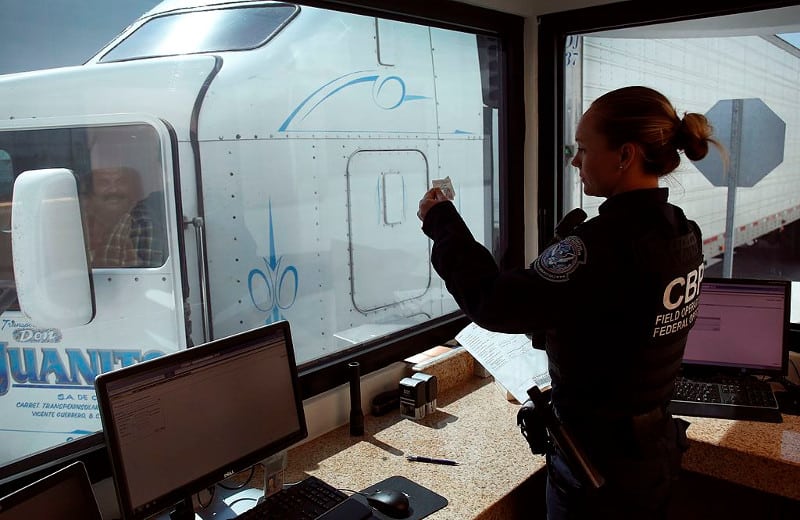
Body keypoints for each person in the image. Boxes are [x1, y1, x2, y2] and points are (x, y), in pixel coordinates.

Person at [417, 86, 722, 519]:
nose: (575, 161)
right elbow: (610, 323)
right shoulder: (682, 234)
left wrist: (442, 223)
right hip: (650, 458)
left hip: (596, 472)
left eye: (582, 148)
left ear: (624, 155)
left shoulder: (603, 246)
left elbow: (494, 302)